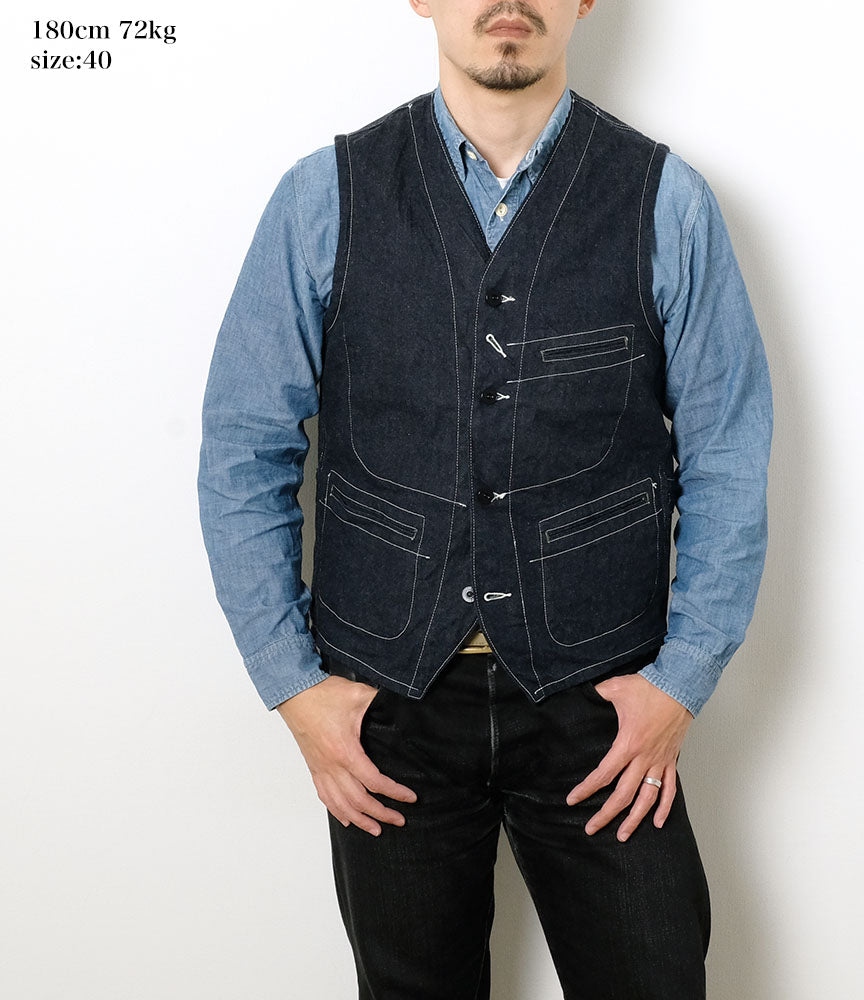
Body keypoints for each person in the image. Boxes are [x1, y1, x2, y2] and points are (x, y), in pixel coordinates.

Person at [197, 1, 773, 996]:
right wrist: (293, 687)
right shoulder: (323, 197)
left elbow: (728, 452)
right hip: (389, 707)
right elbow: (243, 449)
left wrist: (680, 681)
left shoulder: (665, 200)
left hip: (603, 706)